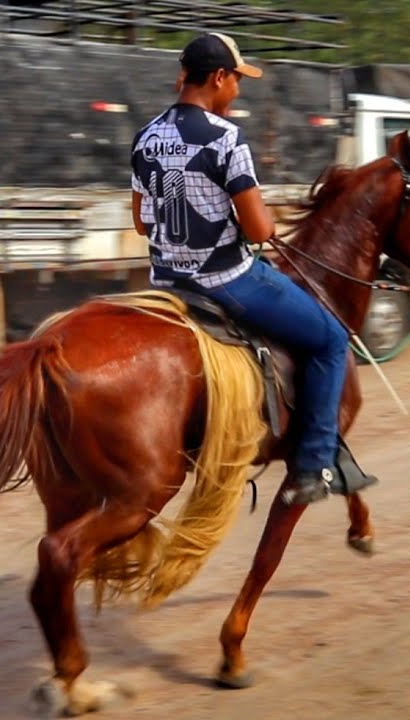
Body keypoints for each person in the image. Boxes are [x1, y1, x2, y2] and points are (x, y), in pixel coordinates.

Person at [129, 32, 350, 505]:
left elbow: (141, 222)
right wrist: (261, 222)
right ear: (219, 78)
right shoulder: (227, 138)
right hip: (226, 281)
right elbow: (257, 229)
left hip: (165, 282)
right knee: (332, 339)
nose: (238, 91)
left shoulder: (146, 136)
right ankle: (314, 466)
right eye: (236, 81)